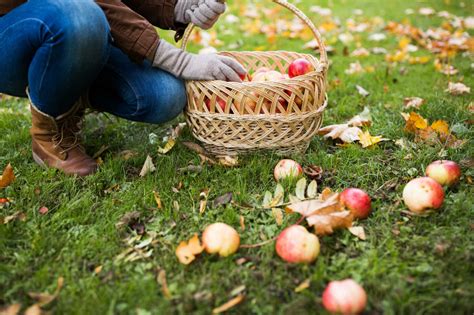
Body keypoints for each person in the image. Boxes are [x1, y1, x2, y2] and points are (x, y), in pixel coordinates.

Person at [0, 0, 246, 176]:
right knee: (80, 14)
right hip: (15, 38)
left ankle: (67, 84)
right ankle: (48, 132)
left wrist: (179, 8)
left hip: (70, 26)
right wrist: (179, 61)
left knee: (165, 94)